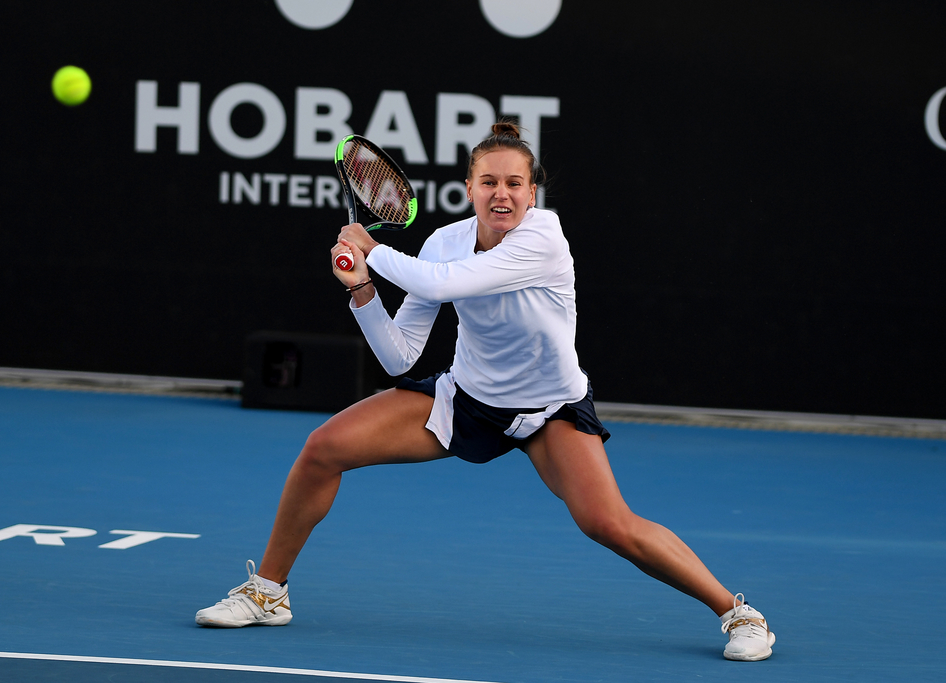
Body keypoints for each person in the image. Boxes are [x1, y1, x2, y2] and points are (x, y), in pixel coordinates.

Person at [195, 122, 776, 662]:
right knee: (323, 448)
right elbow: (401, 355)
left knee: (609, 524)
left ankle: (739, 614)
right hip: (465, 402)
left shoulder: (544, 238)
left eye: (515, 184)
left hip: (549, 412)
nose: (503, 195)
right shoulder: (443, 243)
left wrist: (373, 251)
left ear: (532, 192)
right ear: (469, 187)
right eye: (489, 182)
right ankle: (268, 591)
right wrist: (364, 289)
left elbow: (446, 283)